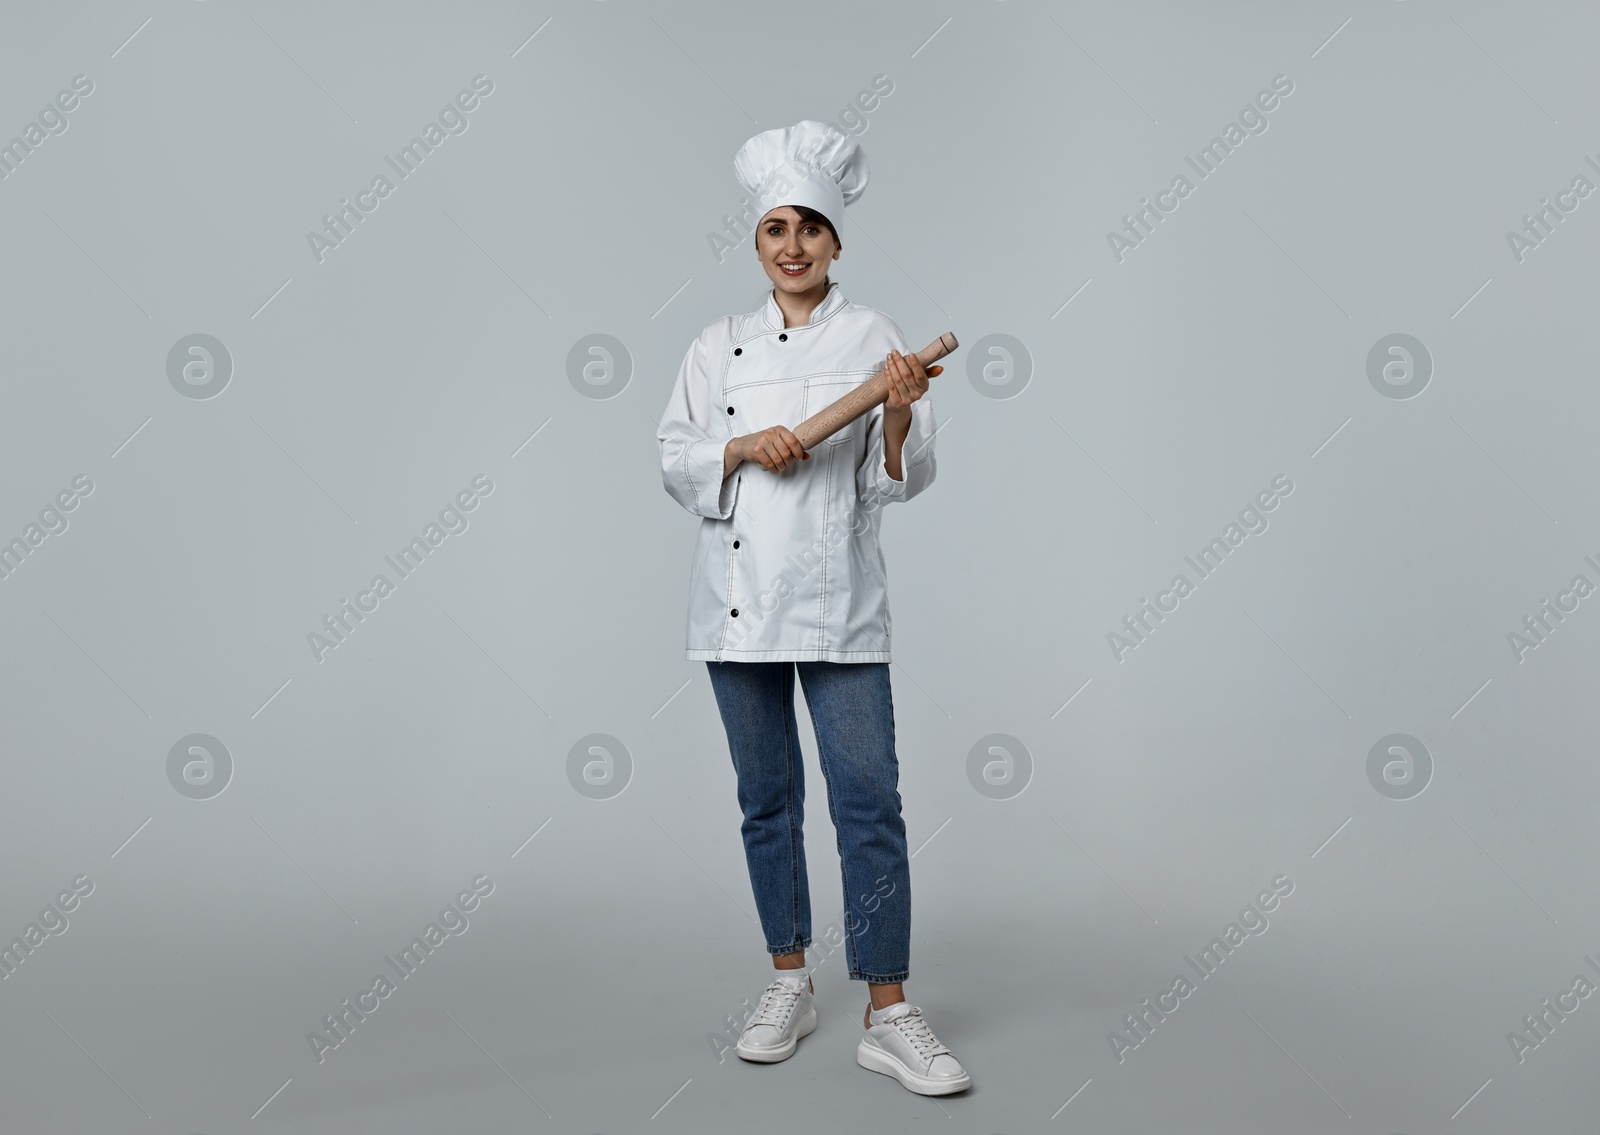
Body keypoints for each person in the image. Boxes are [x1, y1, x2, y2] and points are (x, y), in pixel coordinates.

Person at [655, 120, 969, 1096]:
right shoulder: (716, 347)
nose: (792, 244)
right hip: (737, 607)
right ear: (757, 242)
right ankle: (788, 978)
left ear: (836, 241)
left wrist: (901, 414)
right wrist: (744, 449)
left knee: (868, 803)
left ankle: (887, 1008)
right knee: (768, 803)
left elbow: (895, 485)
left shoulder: (874, 339)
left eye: (810, 228)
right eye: (774, 229)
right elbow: (673, 455)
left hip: (839, 603)